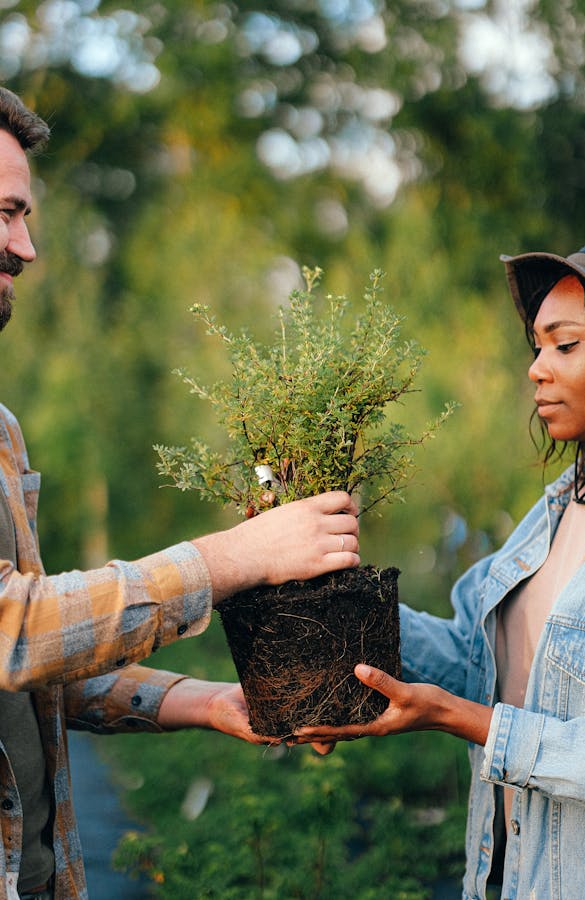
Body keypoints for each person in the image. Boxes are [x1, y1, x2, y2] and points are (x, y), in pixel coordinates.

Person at [0, 87, 360, 900]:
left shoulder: (2, 430)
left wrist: (211, 702)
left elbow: (44, 662)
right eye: (6, 213)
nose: (26, 246)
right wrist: (239, 556)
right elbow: (13, 631)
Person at [295, 234, 585, 899]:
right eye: (537, 346)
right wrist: (338, 604)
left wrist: (461, 719)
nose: (537, 369)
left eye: (566, 345)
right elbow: (475, 658)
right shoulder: (554, 513)